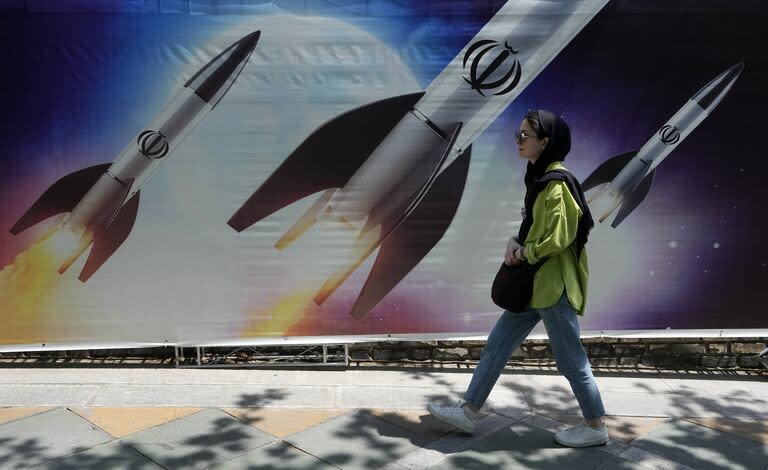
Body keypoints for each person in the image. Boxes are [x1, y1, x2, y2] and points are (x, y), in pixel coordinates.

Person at [427, 109, 609, 448]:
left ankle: (596, 425)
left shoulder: (556, 184)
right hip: (533, 286)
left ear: (545, 141)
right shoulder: (540, 178)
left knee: (571, 359)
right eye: (518, 134)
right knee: (497, 346)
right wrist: (517, 240)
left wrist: (525, 253)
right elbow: (538, 227)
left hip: (552, 287)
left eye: (525, 135)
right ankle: (468, 411)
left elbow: (560, 237)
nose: (519, 141)